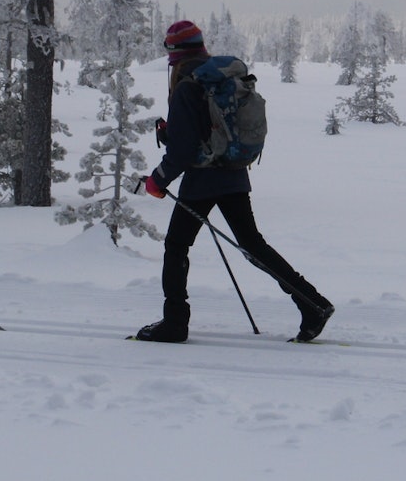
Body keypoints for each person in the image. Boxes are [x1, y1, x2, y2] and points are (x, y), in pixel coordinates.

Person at [134, 20, 334, 343]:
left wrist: (158, 180)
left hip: (202, 181)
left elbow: (183, 153)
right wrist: (173, 133)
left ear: (173, 54)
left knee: (176, 246)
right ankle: (313, 303)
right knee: (253, 245)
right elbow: (201, 130)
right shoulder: (215, 77)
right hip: (234, 173)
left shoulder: (187, 85)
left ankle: (174, 323)